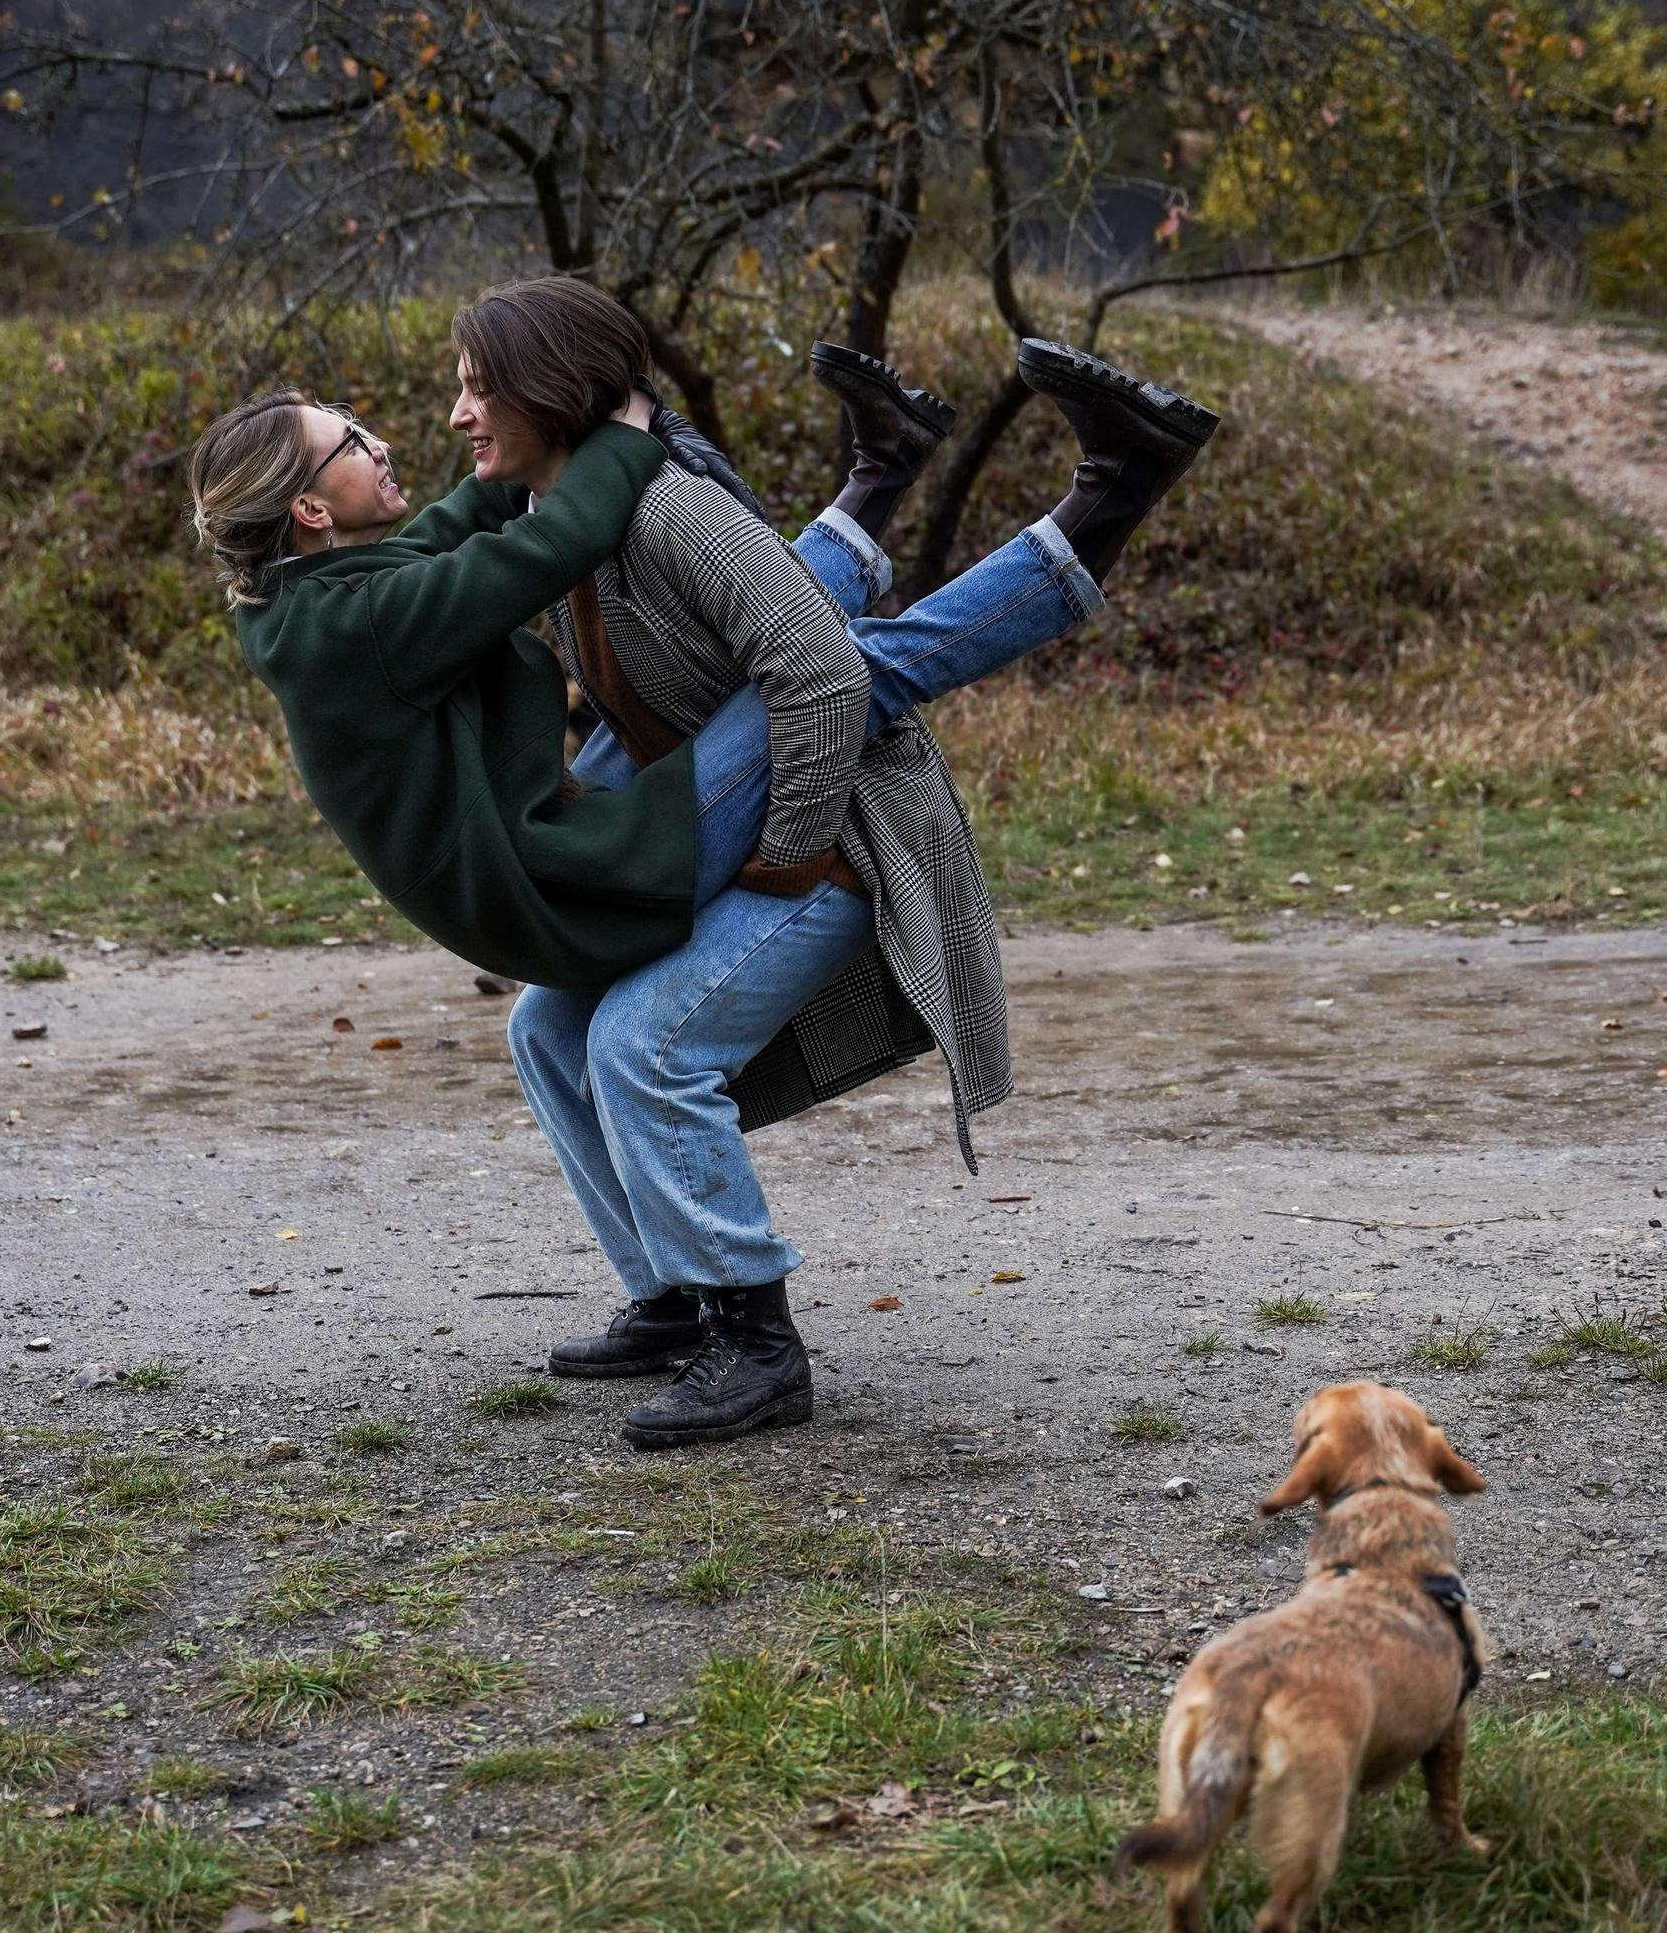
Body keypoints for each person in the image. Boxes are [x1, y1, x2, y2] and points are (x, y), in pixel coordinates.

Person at [450, 279, 1221, 1448]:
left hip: (834, 842)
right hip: (725, 827)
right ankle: (675, 1297)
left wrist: (795, 840)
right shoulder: (567, 517)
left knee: (640, 1042)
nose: (456, 412)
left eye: (476, 385)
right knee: (547, 1031)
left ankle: (756, 1346)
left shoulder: (668, 511)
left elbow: (819, 673)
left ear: (552, 389)